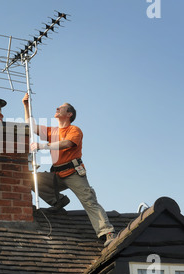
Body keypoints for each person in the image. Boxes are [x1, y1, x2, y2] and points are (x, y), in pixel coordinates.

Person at [22, 93, 116, 247]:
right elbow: (30, 126)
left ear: (69, 114)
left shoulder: (75, 130)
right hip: (57, 174)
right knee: (30, 179)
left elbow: (66, 144)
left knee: (89, 201)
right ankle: (58, 201)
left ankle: (108, 232)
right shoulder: (52, 131)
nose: (57, 108)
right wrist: (26, 105)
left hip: (73, 173)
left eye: (61, 107)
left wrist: (42, 146)